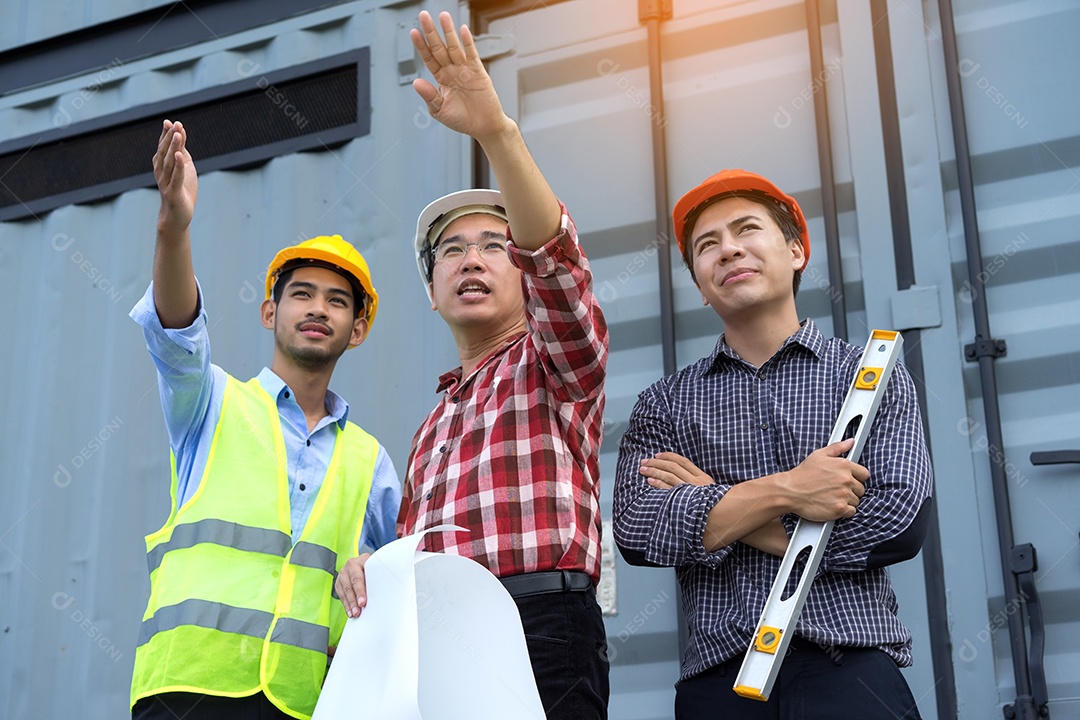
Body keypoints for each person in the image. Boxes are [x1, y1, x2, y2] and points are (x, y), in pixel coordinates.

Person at [333, 11, 609, 720]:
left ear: (522, 272)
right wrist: (375, 571)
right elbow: (414, 560)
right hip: (437, 640)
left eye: (494, 245)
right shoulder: (430, 429)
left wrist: (496, 132)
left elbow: (556, 263)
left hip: (541, 626)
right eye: (452, 251)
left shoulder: (556, 364)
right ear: (431, 293)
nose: (472, 260)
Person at [612, 169, 934, 719]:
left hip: (851, 668)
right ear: (700, 286)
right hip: (720, 682)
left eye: (747, 229)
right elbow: (639, 532)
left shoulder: (868, 376)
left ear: (796, 251)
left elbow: (897, 525)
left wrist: (717, 503)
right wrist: (791, 490)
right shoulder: (664, 404)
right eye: (707, 245)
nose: (728, 249)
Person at [128, 119, 401, 720]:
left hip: (302, 704)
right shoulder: (210, 402)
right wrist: (174, 227)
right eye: (302, 294)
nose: (318, 308)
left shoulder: (372, 464)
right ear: (269, 311)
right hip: (186, 691)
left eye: (337, 300)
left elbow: (400, 587)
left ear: (357, 329)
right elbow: (176, 331)